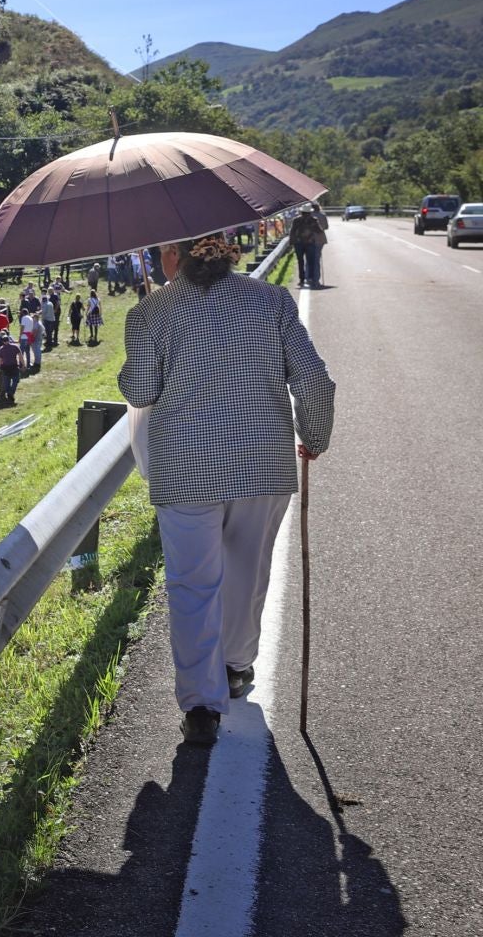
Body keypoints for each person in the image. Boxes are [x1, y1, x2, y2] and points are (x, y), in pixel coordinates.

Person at [119, 232, 335, 746]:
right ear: (227, 250)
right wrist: (315, 435)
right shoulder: (271, 300)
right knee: (246, 570)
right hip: (262, 463)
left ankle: (200, 704)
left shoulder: (152, 312)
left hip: (185, 468)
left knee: (192, 585)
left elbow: (141, 391)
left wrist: (140, 341)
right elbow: (313, 380)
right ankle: (236, 666)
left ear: (173, 256)